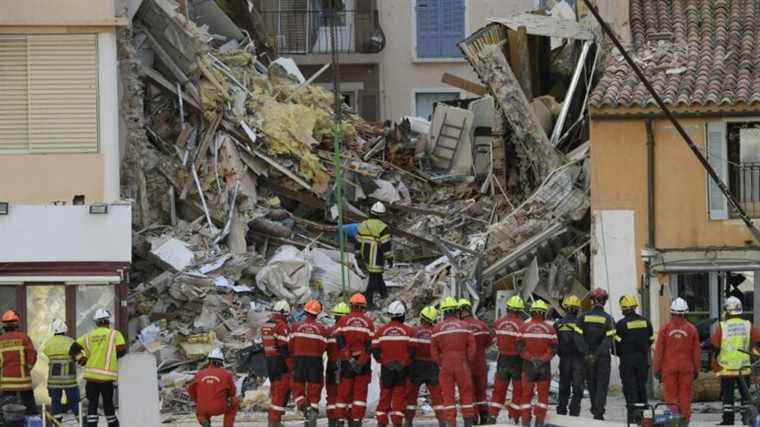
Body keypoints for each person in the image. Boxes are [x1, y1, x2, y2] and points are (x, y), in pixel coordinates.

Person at [69, 308, 126, 427]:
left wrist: (82, 359)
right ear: (108, 322)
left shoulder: (88, 336)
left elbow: (73, 349)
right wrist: (111, 359)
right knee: (108, 403)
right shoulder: (115, 334)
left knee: (92, 403)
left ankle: (91, 425)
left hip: (91, 376)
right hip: (106, 377)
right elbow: (121, 351)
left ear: (96, 323)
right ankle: (113, 424)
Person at [710, 296, 760, 425]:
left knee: (728, 397)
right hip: (744, 368)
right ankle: (747, 418)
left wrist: (714, 362)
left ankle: (728, 420)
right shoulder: (748, 325)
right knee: (746, 396)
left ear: (726, 311)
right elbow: (758, 343)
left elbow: (715, 345)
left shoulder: (723, 326)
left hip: (727, 369)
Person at [652, 297, 700, 423]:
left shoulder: (665, 329)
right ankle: (684, 421)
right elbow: (696, 352)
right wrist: (696, 369)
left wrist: (656, 369)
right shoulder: (692, 329)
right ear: (685, 312)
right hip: (686, 368)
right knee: (685, 396)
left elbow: (659, 351)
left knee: (671, 396)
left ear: (671, 312)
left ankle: (673, 421)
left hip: (668, 368)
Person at [431, 296, 477, 427]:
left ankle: (451, 422)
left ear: (444, 312)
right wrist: (467, 360)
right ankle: (468, 421)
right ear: (456, 310)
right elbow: (472, 346)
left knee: (447, 394)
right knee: (466, 392)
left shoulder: (437, 329)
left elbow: (433, 351)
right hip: (462, 362)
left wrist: (441, 362)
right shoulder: (465, 326)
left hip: (445, 364)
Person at [341, 202, 393, 308]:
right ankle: (368, 301)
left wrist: (357, 254)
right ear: (382, 215)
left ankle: (384, 293)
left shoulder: (363, 225)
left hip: (365, 254)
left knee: (376, 275)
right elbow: (386, 245)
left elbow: (358, 241)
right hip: (376, 255)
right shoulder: (383, 227)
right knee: (374, 277)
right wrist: (389, 258)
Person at [372, 301, 415, 427]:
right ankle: (397, 423)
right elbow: (412, 352)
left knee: (384, 397)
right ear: (402, 315)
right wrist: (403, 363)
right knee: (399, 398)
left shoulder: (381, 331)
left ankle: (381, 423)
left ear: (390, 315)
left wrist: (385, 362)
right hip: (403, 370)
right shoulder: (409, 331)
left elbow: (375, 351)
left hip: (387, 370)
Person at [336, 293, 376, 426]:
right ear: (363, 307)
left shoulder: (343, 321)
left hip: (346, 362)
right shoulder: (368, 323)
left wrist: (349, 358)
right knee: (360, 393)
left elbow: (340, 342)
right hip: (362, 363)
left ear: (351, 306)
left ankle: (341, 420)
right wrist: (360, 361)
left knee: (344, 391)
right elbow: (370, 346)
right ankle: (356, 420)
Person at [486, 295, 527, 425]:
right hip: (517, 360)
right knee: (517, 390)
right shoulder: (522, 325)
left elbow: (493, 339)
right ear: (520, 311)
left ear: (508, 308)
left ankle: (493, 414)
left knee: (499, 389)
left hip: (502, 359)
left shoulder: (498, 322)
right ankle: (513, 417)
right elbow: (524, 344)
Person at [517, 300, 557, 427]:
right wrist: (542, 359)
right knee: (543, 397)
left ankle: (525, 422)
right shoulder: (550, 329)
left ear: (532, 312)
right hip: (544, 367)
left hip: (528, 366)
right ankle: (539, 422)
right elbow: (554, 348)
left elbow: (519, 347)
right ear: (544, 312)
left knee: (526, 396)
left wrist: (531, 358)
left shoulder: (523, 327)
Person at [289, 299, 329, 426]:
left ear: (305, 311)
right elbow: (324, 346)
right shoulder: (321, 329)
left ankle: (304, 407)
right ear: (317, 313)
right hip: (315, 360)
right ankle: (313, 410)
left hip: (299, 359)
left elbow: (290, 345)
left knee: (298, 385)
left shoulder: (295, 327)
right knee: (315, 386)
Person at [615, 294, 654, 424]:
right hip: (642, 359)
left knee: (630, 387)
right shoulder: (646, 322)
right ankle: (644, 415)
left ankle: (633, 416)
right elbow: (651, 340)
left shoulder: (621, 324)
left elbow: (616, 345)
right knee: (641, 387)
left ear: (625, 309)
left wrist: (621, 354)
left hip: (627, 360)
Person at [578, 287, 616, 420]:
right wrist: (598, 354)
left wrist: (588, 353)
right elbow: (609, 340)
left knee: (592, 384)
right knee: (602, 385)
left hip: (587, 357)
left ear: (592, 301)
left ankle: (595, 408)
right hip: (602, 358)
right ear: (605, 301)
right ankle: (599, 412)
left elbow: (578, 337)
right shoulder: (609, 319)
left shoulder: (583, 317)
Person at [405, 306, 444, 427]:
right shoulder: (437, 333)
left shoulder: (414, 331)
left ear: (422, 318)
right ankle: (442, 421)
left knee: (411, 395)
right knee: (437, 395)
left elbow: (409, 350)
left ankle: (408, 421)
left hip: (416, 365)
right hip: (432, 366)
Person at [458, 298, 492, 424]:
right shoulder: (482, 325)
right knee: (481, 391)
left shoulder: (461, 327)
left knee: (469, 391)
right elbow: (488, 343)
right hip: (481, 364)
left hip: (466, 364)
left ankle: (472, 417)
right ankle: (484, 415)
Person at [187, 348, 239, 427]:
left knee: (200, 411)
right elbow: (233, 392)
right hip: (219, 407)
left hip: (203, 408)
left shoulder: (199, 374)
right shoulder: (226, 374)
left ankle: (202, 419)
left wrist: (197, 400)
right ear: (221, 362)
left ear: (209, 361)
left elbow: (190, 389)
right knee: (234, 401)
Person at [553, 295, 586, 417]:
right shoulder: (582, 324)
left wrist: (559, 352)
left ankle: (561, 410)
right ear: (578, 309)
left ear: (565, 308)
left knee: (564, 386)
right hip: (578, 359)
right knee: (577, 387)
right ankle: (574, 411)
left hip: (564, 359)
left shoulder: (558, 324)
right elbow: (585, 341)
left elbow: (553, 342)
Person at [260, 300, 292, 427]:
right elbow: (284, 347)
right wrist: (292, 366)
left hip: (269, 361)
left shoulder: (266, 325)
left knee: (275, 390)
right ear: (284, 313)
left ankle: (273, 418)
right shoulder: (281, 326)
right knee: (281, 390)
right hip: (280, 362)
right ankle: (274, 420)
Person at [0, 310, 37, 415]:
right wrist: (28, 367)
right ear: (17, 323)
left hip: (6, 381)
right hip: (23, 380)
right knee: (30, 407)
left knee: (6, 409)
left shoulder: (1, 339)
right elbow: (32, 354)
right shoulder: (24, 337)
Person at [43, 319, 79, 421]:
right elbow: (80, 358)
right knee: (74, 401)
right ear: (64, 329)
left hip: (54, 380)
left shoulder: (48, 343)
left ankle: (57, 422)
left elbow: (46, 355)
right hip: (70, 380)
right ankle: (79, 419)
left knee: (55, 402)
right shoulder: (71, 342)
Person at [326, 302, 350, 427]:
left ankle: (332, 421)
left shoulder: (329, 331)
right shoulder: (348, 331)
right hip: (345, 364)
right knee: (343, 393)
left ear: (335, 316)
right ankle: (341, 419)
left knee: (331, 393)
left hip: (331, 364)